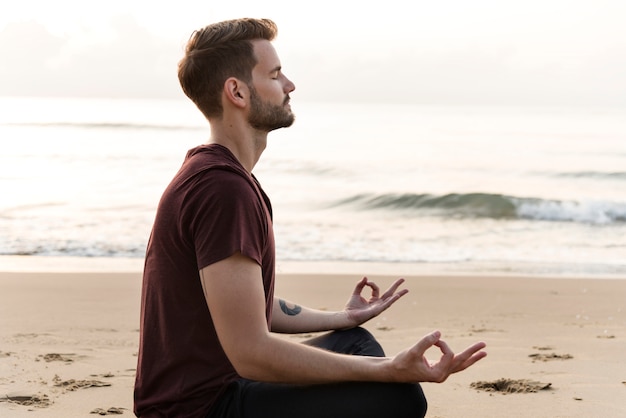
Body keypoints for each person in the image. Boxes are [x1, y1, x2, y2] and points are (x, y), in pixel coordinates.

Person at [133, 17, 487, 418]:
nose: (290, 85)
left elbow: (253, 308)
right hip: (201, 408)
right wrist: (387, 371)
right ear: (237, 91)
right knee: (398, 397)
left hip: (223, 387)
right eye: (275, 74)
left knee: (355, 340)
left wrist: (344, 316)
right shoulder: (222, 189)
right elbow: (251, 352)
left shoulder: (219, 176)